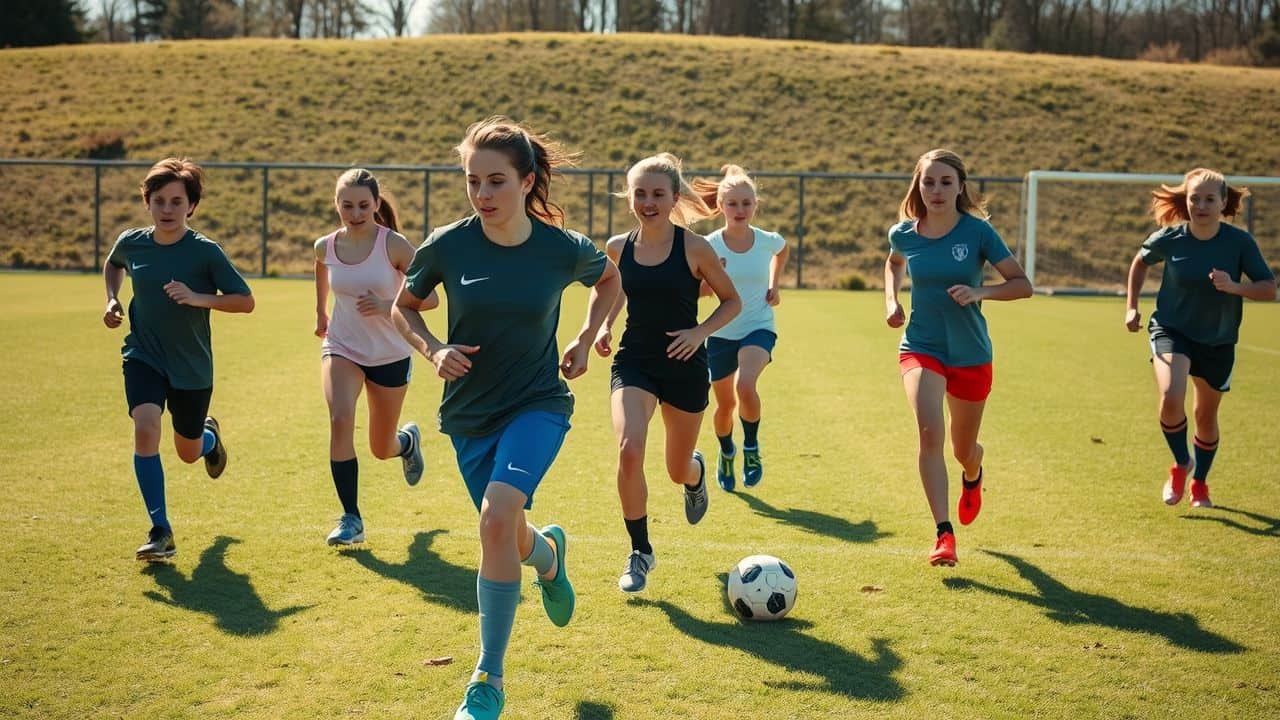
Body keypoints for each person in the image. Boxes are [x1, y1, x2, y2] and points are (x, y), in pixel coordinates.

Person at [393, 117, 620, 720]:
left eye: (496, 181)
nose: (483, 195)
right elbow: (403, 309)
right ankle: (547, 555)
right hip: (468, 415)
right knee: (507, 531)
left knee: (495, 517)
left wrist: (585, 335)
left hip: (538, 403)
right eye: (473, 182)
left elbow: (610, 281)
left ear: (526, 182)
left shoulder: (561, 248)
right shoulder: (446, 244)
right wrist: (433, 349)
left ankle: (486, 681)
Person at [594, 153, 741, 593]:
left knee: (676, 468)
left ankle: (694, 474)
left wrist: (699, 333)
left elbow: (731, 301)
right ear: (629, 197)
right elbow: (616, 290)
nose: (648, 201)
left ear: (674, 197)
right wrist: (603, 324)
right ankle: (640, 552)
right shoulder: (618, 247)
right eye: (640, 193)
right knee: (628, 448)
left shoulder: (695, 248)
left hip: (685, 365)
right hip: (635, 360)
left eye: (658, 193)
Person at [883, 149, 1032, 567]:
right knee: (929, 434)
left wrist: (980, 292)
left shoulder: (978, 233)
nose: (936, 190)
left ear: (960, 186)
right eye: (928, 182)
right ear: (918, 186)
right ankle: (943, 534)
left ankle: (974, 470)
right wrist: (892, 300)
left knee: (962, 448)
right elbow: (892, 264)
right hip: (921, 347)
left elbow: (1022, 284)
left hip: (970, 354)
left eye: (946, 182)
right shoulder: (904, 234)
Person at [101, 157, 255, 562]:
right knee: (146, 426)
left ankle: (209, 439)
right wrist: (113, 299)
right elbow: (114, 265)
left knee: (187, 451)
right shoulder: (132, 243)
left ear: (191, 206)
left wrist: (197, 297)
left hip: (191, 367)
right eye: (159, 201)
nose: (167, 209)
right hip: (144, 355)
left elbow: (245, 301)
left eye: (176, 201)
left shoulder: (205, 253)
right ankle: (160, 530)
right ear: (147, 203)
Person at [1124, 167, 1275, 509]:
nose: (1202, 205)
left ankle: (1201, 483)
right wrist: (1131, 307)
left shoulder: (1239, 243)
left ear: (1224, 202)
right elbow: (1140, 262)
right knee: (1169, 395)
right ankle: (1181, 463)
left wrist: (1234, 286)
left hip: (1218, 339)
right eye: (1195, 198)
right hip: (1171, 329)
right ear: (1186, 200)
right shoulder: (1171, 238)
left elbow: (1268, 289)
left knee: (1205, 417)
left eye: (1210, 199)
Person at [314, 168, 438, 546]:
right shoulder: (327, 245)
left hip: (390, 352)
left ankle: (406, 443)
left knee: (381, 448)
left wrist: (388, 305)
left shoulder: (395, 246)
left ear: (376, 204)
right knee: (340, 419)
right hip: (342, 345)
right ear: (336, 205)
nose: (355, 213)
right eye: (347, 205)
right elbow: (322, 267)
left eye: (363, 205)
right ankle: (351, 518)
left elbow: (430, 298)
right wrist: (321, 311)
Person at [692, 164, 789, 491]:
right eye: (733, 203)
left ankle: (750, 448)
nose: (740, 210)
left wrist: (775, 285)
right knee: (725, 406)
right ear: (720, 206)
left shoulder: (765, 241)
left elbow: (783, 248)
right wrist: (704, 286)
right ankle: (727, 451)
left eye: (747, 203)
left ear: (755, 206)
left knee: (745, 386)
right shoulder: (708, 245)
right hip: (719, 334)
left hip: (758, 327)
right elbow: (694, 285)